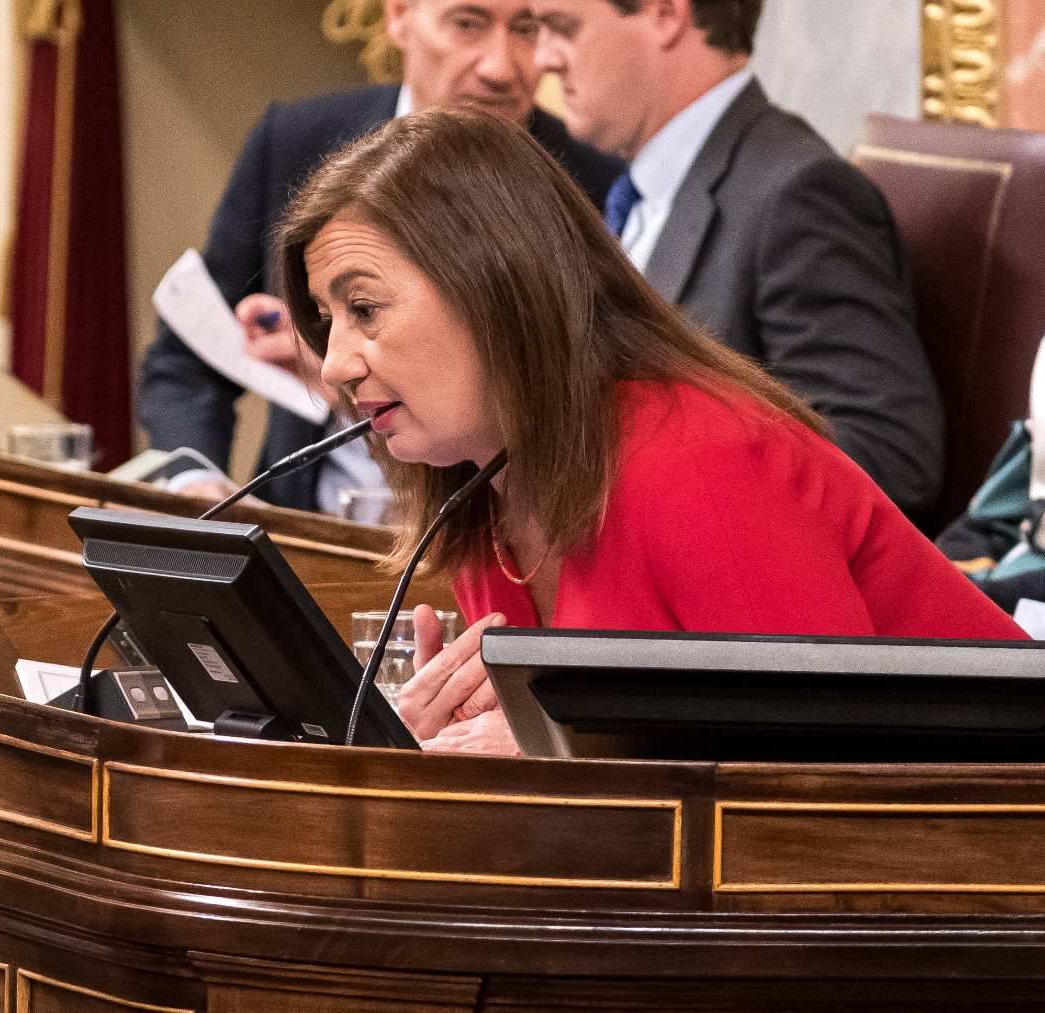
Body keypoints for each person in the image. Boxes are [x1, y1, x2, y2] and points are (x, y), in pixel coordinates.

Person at [274, 109, 1028, 756]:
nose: (336, 363)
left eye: (364, 309)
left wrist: (568, 751)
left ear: (497, 287)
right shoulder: (480, 500)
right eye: (326, 320)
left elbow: (814, 784)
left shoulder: (696, 460)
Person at [137, 0, 623, 513]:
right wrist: (197, 486)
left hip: (493, 538)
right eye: (467, 24)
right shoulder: (296, 140)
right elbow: (185, 361)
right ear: (399, 16)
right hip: (306, 525)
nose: (500, 68)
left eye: (527, 29)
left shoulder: (596, 186)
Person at [530, 0, 945, 520]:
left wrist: (673, 490)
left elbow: (888, 455)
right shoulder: (633, 191)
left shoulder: (798, 194)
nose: (542, 58)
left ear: (665, 14)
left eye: (562, 28)